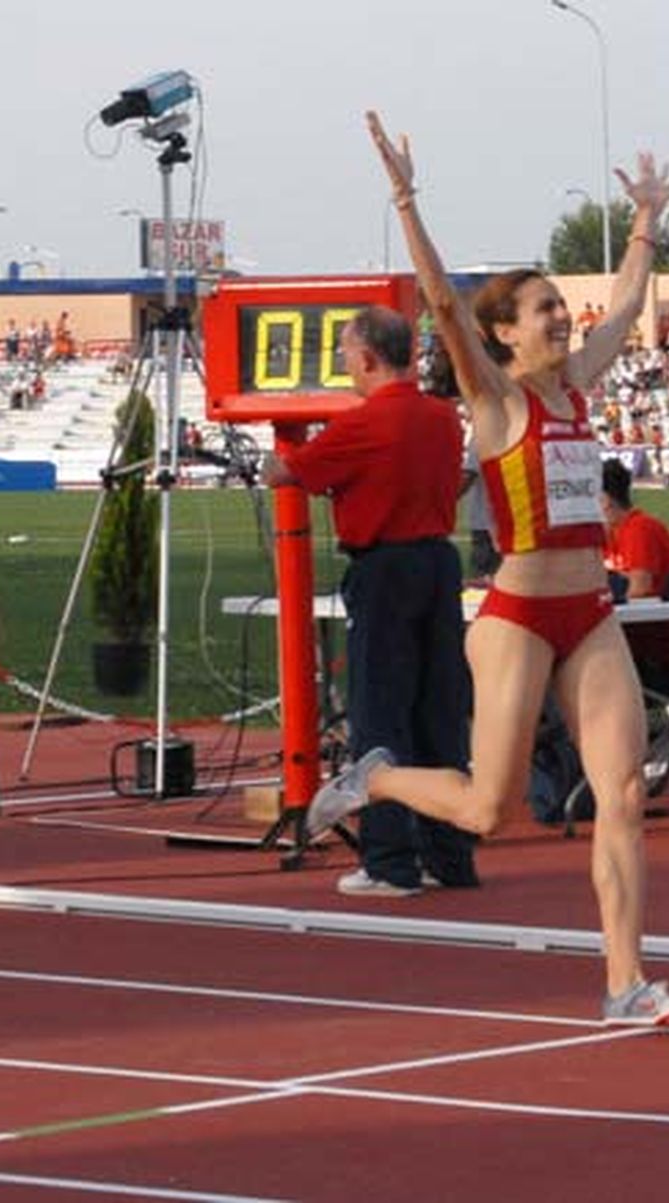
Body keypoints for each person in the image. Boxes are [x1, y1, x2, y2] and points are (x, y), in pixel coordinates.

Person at [308, 112, 669, 1028]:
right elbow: (443, 301)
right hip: (519, 619)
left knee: (625, 796)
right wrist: (406, 198)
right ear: (505, 333)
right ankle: (374, 780)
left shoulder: (578, 384)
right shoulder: (495, 400)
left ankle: (625, 982)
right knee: (488, 810)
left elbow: (633, 301)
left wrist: (644, 220)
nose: (564, 314)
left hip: (590, 617)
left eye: (564, 302)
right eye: (544, 307)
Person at [262, 306, 479, 898]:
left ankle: (389, 861)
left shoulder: (363, 422)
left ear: (365, 357)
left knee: (380, 716)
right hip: (437, 564)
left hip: (384, 568)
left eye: (346, 359)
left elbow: (289, 473)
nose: (345, 371)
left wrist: (270, 460)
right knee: (437, 713)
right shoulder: (442, 419)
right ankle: (450, 855)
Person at [599, 458, 669, 696]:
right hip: (639, 641)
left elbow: (639, 588)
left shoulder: (640, 529)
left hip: (659, 650)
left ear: (605, 501)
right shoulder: (612, 534)